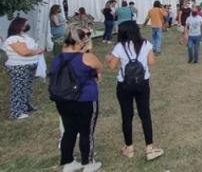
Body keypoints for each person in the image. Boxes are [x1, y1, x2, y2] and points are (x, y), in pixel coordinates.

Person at [105, 21, 164, 161]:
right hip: (142, 83)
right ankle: (149, 148)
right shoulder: (145, 44)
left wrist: (109, 59)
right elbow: (151, 62)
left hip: (124, 85)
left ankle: (129, 148)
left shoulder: (119, 47)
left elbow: (112, 67)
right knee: (145, 115)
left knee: (127, 115)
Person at [52, 26, 103, 172]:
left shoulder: (58, 59)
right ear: (79, 42)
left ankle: (68, 163)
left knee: (69, 131)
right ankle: (88, 163)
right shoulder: (86, 57)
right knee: (86, 132)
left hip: (63, 100)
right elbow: (99, 68)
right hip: (85, 99)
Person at [2, 18, 44, 119]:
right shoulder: (13, 39)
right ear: (18, 25)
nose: (27, 26)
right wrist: (37, 51)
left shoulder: (26, 37)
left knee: (27, 88)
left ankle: (25, 106)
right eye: (25, 24)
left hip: (29, 66)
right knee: (18, 89)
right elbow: (24, 52)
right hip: (18, 67)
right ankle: (16, 112)